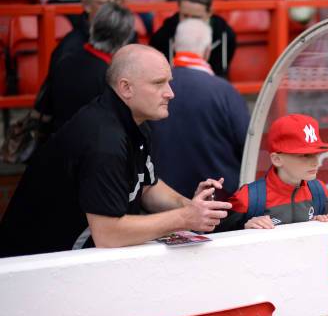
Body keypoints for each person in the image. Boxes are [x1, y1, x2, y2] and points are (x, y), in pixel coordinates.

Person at [0, 45, 232, 257]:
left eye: (168, 82)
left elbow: (147, 186)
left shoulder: (133, 121)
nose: (170, 93)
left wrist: (191, 206)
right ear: (125, 88)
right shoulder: (104, 140)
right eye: (158, 83)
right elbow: (108, 233)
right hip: (29, 269)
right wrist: (184, 218)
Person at [150, 19, 249, 197]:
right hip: (218, 199)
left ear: (174, 47)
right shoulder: (225, 91)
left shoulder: (151, 88)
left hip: (159, 197)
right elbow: (247, 146)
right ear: (207, 50)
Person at [218, 114, 328, 231]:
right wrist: (244, 228)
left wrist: (321, 222)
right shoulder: (247, 198)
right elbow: (217, 238)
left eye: (317, 154)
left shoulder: (318, 191)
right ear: (276, 159)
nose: (316, 162)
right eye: (305, 155)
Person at [34, 0, 123, 126]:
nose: (112, 10)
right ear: (87, 5)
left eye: (117, 2)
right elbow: (56, 103)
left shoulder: (127, 33)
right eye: (105, 3)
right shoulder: (70, 47)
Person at [48, 2, 134, 133]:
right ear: (125, 39)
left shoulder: (65, 59)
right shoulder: (111, 77)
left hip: (60, 138)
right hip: (92, 144)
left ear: (93, 27)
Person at [150, 0, 236, 78]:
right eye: (185, 16)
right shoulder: (163, 36)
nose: (189, 21)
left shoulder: (226, 35)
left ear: (210, 12)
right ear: (179, 10)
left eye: (196, 17)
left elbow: (222, 72)